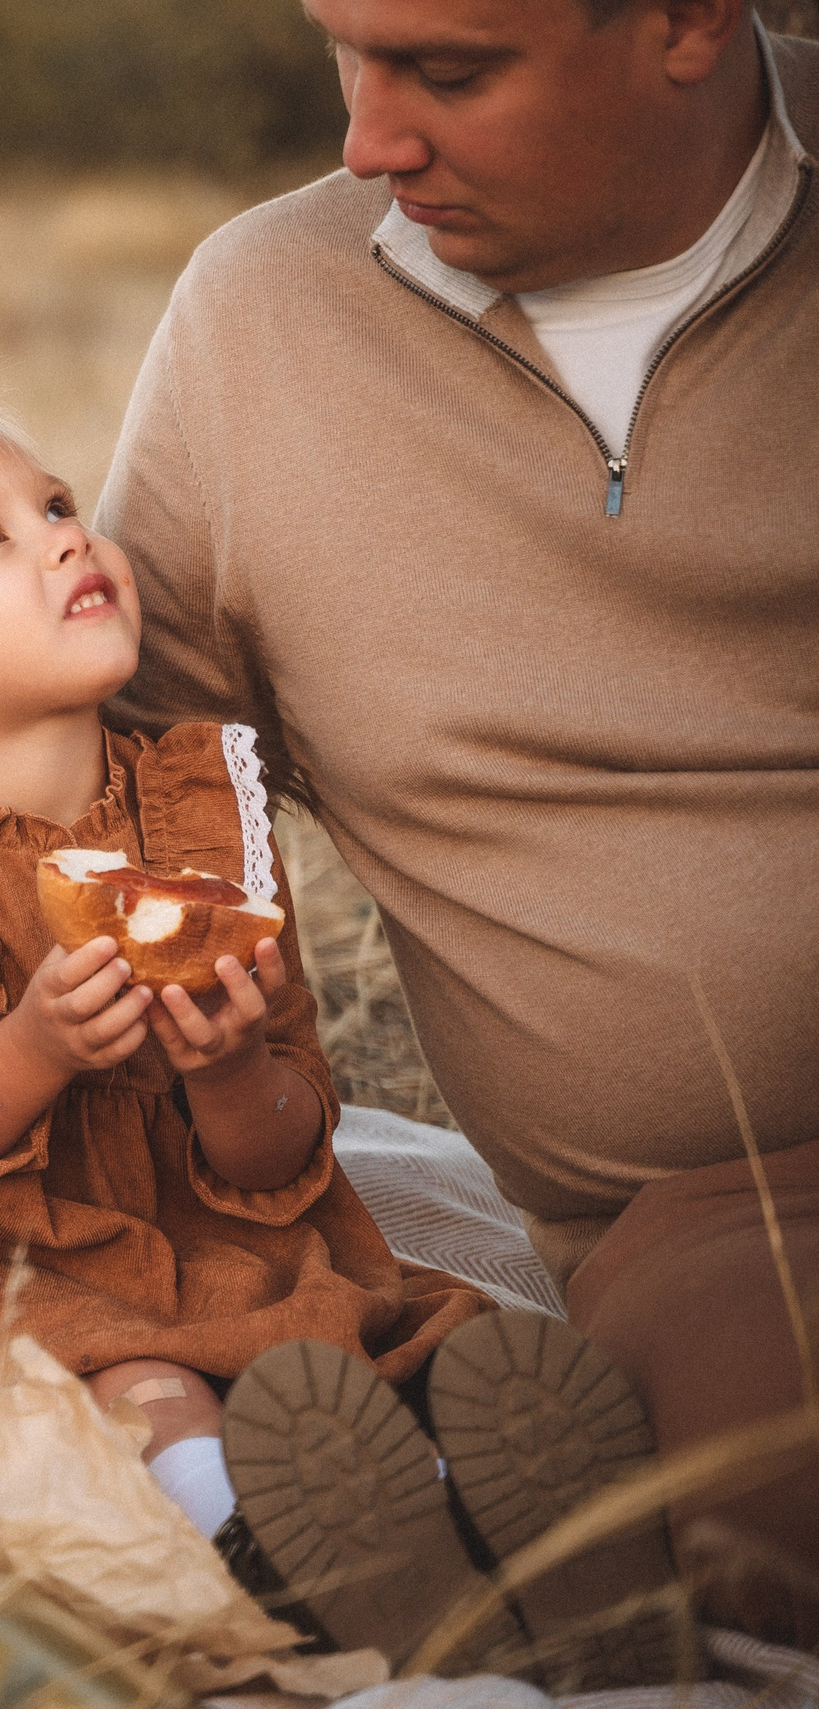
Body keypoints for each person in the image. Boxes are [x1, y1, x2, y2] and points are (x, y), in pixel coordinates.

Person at [0, 385, 729, 1676]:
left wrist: (229, 1069)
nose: (65, 534)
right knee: (141, 1387)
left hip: (200, 1231)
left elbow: (285, 1156)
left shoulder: (202, 808)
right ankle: (266, 1567)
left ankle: (495, 1532)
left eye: (56, 502)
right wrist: (36, 1050)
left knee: (399, 1335)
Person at [97, 0, 819, 1647]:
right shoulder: (267, 317)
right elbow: (116, 785)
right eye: (346, 52)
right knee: (745, 1441)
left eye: (450, 70)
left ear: (690, 22)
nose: (367, 140)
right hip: (705, 1245)